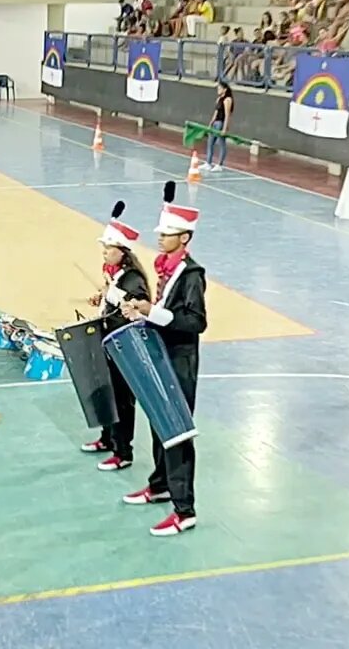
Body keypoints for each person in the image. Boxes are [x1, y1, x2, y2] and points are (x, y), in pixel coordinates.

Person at [118, 182, 208, 537]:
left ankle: (185, 510)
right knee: (159, 423)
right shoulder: (165, 269)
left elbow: (196, 322)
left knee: (177, 432)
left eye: (168, 234)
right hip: (162, 356)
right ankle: (160, 485)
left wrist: (152, 313)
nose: (160, 238)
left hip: (181, 362)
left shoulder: (191, 276)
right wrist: (141, 312)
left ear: (184, 238)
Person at [80, 201, 150, 472]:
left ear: (122, 252)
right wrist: (103, 298)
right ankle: (107, 439)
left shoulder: (132, 278)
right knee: (106, 393)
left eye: (108, 249)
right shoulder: (116, 275)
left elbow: (138, 304)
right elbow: (113, 300)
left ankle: (124, 452)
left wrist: (112, 295)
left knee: (122, 399)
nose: (104, 253)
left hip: (125, 348)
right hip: (108, 344)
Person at [203, 81, 234, 172]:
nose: (218, 90)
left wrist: (225, 128)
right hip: (216, 122)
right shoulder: (219, 99)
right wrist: (211, 123)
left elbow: (227, 115)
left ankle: (219, 164)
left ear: (225, 89)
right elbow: (216, 112)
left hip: (221, 123)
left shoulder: (227, 100)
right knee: (210, 143)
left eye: (220, 88)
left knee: (221, 143)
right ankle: (208, 163)